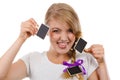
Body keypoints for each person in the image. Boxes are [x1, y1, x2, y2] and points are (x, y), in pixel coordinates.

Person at [0, 3, 109, 80]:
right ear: (46, 31)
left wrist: (102, 64)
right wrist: (21, 38)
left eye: (70, 30)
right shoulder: (32, 60)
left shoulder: (86, 59)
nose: (64, 38)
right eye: (56, 31)